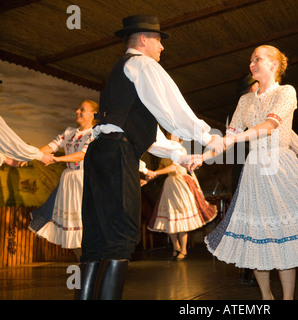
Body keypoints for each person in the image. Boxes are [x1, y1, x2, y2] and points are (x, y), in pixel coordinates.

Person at [78, 14, 222, 300]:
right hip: (118, 153)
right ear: (143, 39)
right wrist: (211, 137)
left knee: (97, 238)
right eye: (158, 40)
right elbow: (174, 111)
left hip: (99, 153)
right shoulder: (143, 64)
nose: (162, 48)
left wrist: (181, 156)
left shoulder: (122, 70)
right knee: (121, 235)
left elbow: (148, 134)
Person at [204, 45, 298, 300]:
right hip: (255, 170)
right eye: (250, 60)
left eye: (257, 59)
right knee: (257, 235)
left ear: (274, 64)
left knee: (284, 236)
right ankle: (266, 297)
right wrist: (203, 157)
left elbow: (272, 126)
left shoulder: (286, 92)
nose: (251, 64)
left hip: (281, 166)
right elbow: (230, 134)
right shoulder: (245, 100)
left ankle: (287, 298)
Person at [28, 100, 98, 261]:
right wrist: (30, 156)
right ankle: (83, 264)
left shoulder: (95, 133)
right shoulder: (69, 132)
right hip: (69, 181)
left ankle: (92, 265)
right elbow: (49, 147)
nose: (77, 111)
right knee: (70, 230)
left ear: (93, 114)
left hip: (85, 180)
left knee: (84, 226)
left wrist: (58, 160)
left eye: (82, 109)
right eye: (78, 108)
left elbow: (83, 155)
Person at [146, 131, 217, 261]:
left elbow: (173, 167)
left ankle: (183, 249)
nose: (169, 137)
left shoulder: (180, 150)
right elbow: (162, 169)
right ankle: (176, 247)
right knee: (170, 218)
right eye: (167, 135)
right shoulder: (165, 153)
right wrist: (147, 178)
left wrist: (154, 173)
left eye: (171, 135)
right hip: (169, 185)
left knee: (181, 217)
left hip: (180, 183)